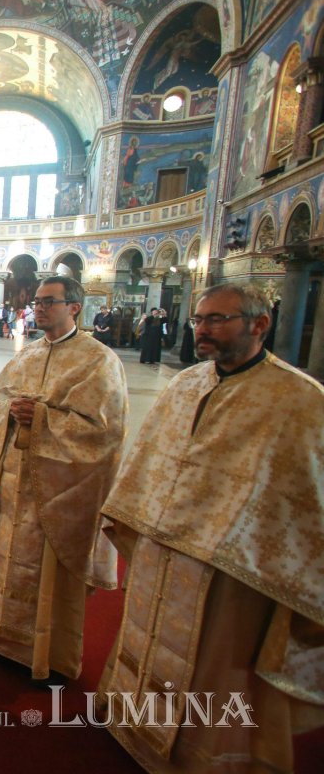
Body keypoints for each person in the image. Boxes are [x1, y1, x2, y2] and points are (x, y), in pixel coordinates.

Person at [96, 283, 324, 772]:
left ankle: (200, 756)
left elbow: (304, 497)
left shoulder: (300, 399)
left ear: (259, 325)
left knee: (215, 664)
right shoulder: (186, 384)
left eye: (217, 320)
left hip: (231, 565)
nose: (201, 329)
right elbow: (152, 455)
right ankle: (132, 719)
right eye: (199, 319)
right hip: (163, 542)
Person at [0, 275, 127, 681]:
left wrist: (46, 419)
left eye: (49, 302)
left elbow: (105, 430)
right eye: (36, 301)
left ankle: (45, 654)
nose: (38, 308)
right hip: (15, 481)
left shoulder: (98, 360)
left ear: (74, 307)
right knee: (4, 556)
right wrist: (9, 414)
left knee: (45, 569)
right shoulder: (28, 355)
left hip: (58, 489)